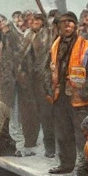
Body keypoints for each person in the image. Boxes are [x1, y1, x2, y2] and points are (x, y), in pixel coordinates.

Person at [45, 11, 88, 174]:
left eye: (70, 22)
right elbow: (46, 70)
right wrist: (49, 90)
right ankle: (66, 164)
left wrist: (85, 93)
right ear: (58, 27)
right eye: (63, 23)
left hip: (80, 99)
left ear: (76, 26)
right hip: (60, 97)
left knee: (83, 136)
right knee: (63, 134)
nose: (67, 26)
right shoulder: (54, 47)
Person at [18, 11, 56, 158]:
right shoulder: (27, 35)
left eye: (38, 20)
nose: (34, 22)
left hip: (43, 79)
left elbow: (46, 53)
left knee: (46, 114)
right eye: (32, 20)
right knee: (29, 114)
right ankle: (29, 143)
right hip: (29, 80)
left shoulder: (48, 34)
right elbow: (20, 55)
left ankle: (50, 147)